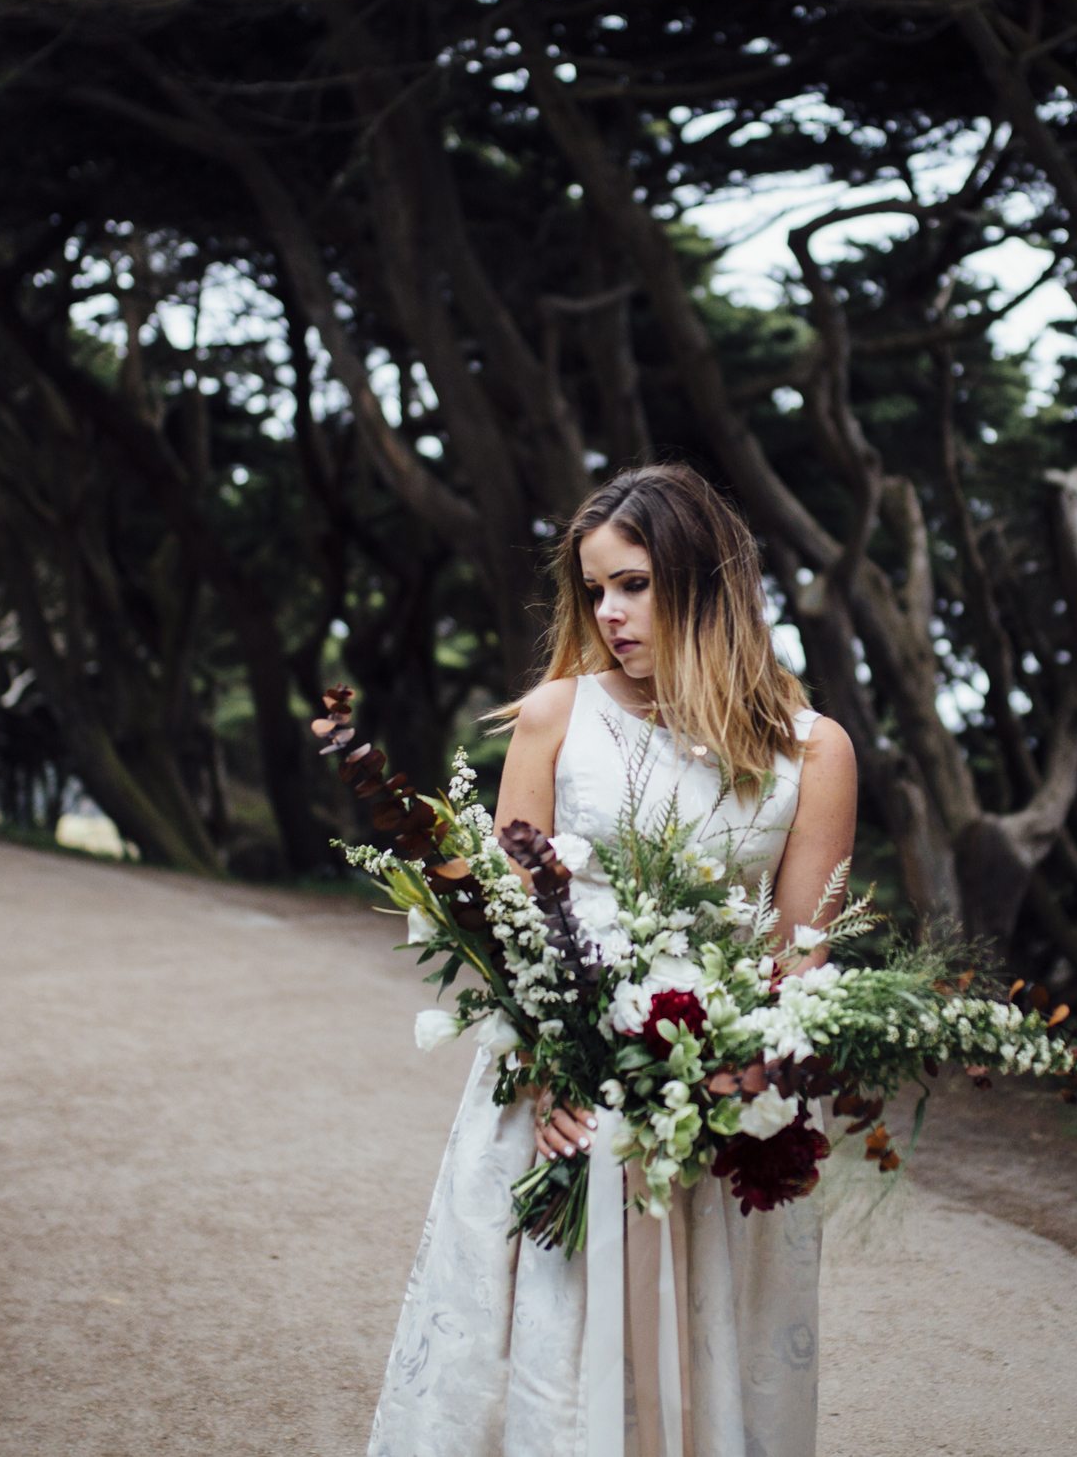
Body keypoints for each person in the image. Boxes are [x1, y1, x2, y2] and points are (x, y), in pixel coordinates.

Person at [367, 463, 857, 1457]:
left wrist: (747, 1072)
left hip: (716, 1115)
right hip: (558, 1101)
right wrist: (549, 1074)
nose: (609, 614)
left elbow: (803, 957)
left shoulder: (814, 752)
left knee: (704, 1360)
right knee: (547, 1356)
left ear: (701, 579)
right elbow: (507, 929)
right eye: (594, 590)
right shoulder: (555, 718)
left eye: (632, 583)